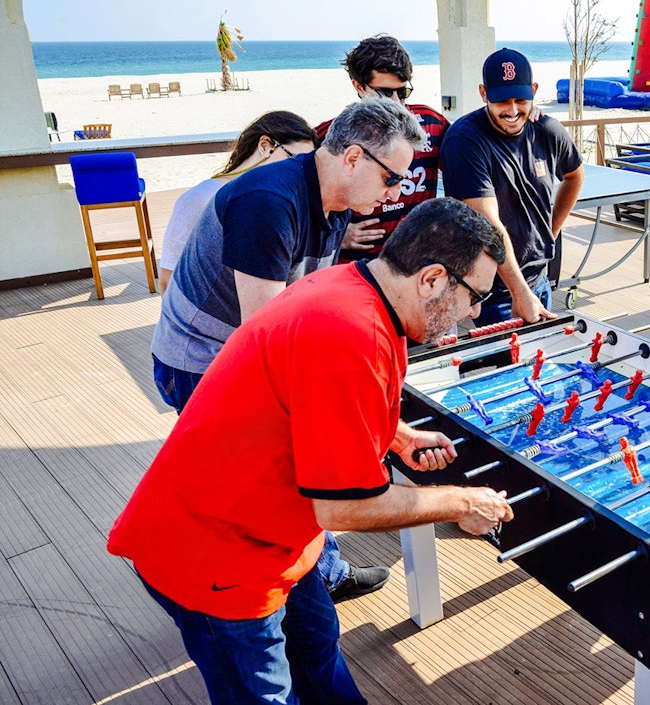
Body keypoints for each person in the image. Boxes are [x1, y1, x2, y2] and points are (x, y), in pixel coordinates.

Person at [110, 199, 514, 704]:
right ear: (431, 279)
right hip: (217, 556)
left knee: (318, 660)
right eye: (475, 295)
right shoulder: (351, 335)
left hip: (282, 538)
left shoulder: (353, 285)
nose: (475, 312)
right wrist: (464, 502)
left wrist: (398, 436)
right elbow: (343, 506)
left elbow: (309, 398)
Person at [151, 96, 424, 602]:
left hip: (247, 348)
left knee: (291, 471)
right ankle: (248, 590)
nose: (394, 194)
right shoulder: (268, 203)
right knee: (270, 478)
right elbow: (269, 341)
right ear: (353, 158)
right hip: (199, 359)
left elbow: (312, 313)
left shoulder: (338, 202)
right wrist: (362, 420)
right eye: (392, 179)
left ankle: (312, 578)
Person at [441, 47, 585, 325]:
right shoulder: (464, 140)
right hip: (493, 290)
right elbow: (488, 224)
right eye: (502, 101)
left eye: (521, 99)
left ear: (534, 90)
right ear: (483, 94)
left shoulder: (547, 129)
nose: (512, 110)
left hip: (539, 278)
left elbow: (574, 175)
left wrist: (549, 233)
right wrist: (518, 292)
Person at [314, 35, 450, 261]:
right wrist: (336, 234)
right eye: (386, 93)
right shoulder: (330, 135)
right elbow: (301, 199)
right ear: (359, 86)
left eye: (403, 92)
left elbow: (470, 165)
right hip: (355, 267)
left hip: (414, 265)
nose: (397, 102)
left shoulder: (432, 124)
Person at [158, 111, 319, 293]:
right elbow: (167, 280)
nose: (297, 172)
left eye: (304, 166)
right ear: (265, 146)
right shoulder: (202, 197)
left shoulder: (276, 204)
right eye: (293, 159)